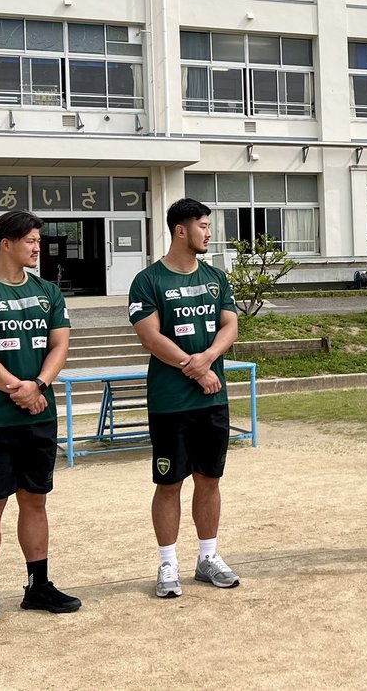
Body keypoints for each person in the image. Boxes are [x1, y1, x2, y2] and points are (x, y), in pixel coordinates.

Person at [0, 211, 80, 634]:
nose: (37, 247)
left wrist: (39, 385)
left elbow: (60, 343)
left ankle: (38, 586)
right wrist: (18, 389)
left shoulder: (47, 292)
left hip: (39, 415)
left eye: (38, 240)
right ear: (6, 243)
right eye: (29, 240)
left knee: (36, 499)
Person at [128, 198, 240, 598]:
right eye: (204, 226)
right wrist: (193, 368)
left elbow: (231, 323)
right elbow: (150, 337)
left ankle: (207, 558)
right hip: (171, 401)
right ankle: (168, 563)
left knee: (210, 480)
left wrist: (208, 358)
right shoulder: (148, 281)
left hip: (212, 399)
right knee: (170, 482)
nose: (209, 233)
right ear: (181, 229)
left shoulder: (214, 278)